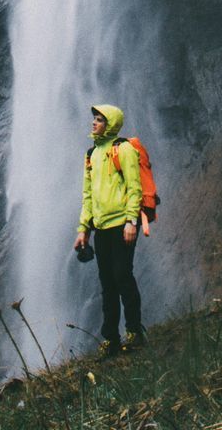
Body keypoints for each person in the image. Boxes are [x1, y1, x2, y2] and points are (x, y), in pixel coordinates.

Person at [73, 103, 146, 355]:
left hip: (122, 226)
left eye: (100, 119)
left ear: (111, 124)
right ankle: (111, 339)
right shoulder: (91, 154)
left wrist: (131, 221)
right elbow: (88, 196)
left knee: (123, 276)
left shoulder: (123, 149)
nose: (94, 123)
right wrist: (83, 229)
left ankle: (135, 331)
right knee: (107, 284)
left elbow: (135, 187)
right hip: (101, 228)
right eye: (94, 118)